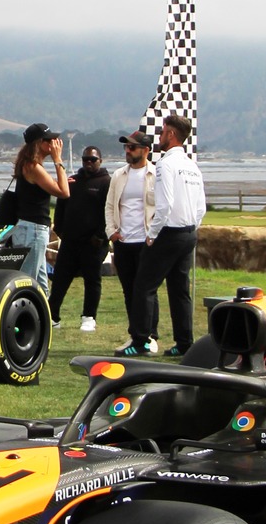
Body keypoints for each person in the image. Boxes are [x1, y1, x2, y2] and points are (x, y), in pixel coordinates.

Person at [128, 112, 206, 359]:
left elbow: (164, 204)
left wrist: (152, 234)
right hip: (189, 232)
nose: (160, 136)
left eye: (162, 132)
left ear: (171, 134)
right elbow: (201, 206)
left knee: (144, 286)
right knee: (179, 289)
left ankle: (141, 340)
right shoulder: (192, 165)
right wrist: (193, 228)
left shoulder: (166, 164)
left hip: (168, 233)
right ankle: (184, 343)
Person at [108, 130, 159, 354]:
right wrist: (111, 232)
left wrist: (155, 234)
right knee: (129, 291)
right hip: (123, 241)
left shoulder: (155, 175)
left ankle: (151, 335)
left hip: (145, 241)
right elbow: (110, 206)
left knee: (147, 291)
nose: (128, 151)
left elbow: (162, 208)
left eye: (132, 147)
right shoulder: (119, 175)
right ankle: (135, 334)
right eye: (126, 147)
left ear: (145, 150)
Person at [49, 145, 109, 332]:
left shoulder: (107, 182)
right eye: (85, 160)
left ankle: (89, 316)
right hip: (70, 241)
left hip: (93, 242)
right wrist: (59, 229)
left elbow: (110, 211)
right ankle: (52, 316)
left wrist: (100, 235)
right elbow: (61, 205)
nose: (89, 163)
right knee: (60, 279)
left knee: (92, 280)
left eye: (93, 160)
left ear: (100, 161)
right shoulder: (73, 181)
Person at [8, 123, 69, 292]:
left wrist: (60, 180)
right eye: (49, 140)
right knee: (28, 281)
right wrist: (58, 160)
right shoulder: (33, 167)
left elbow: (51, 187)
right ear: (39, 143)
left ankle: (47, 317)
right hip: (33, 229)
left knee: (41, 283)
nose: (54, 144)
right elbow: (64, 192)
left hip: (29, 228)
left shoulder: (28, 165)